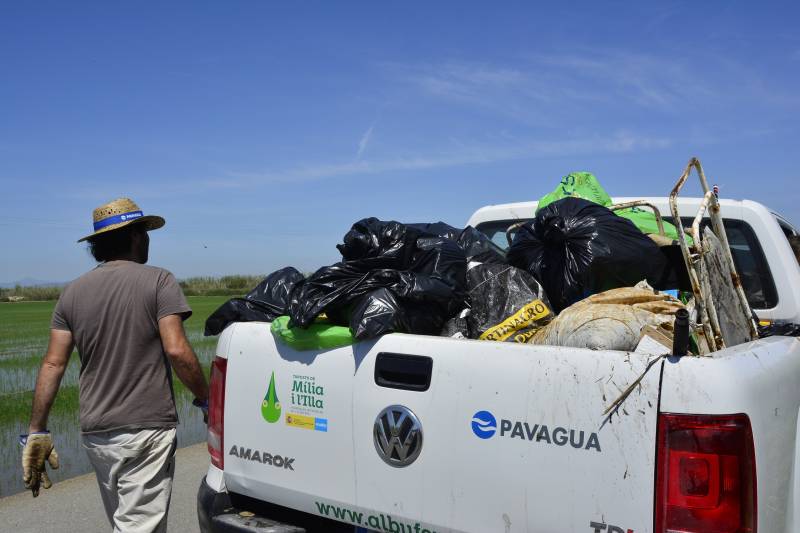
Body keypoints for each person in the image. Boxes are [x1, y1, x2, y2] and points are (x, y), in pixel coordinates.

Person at [21, 198, 209, 533]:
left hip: (97, 431)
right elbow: (177, 351)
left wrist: (37, 430)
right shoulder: (159, 281)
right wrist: (208, 399)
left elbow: (53, 363)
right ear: (136, 236)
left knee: (126, 521)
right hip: (145, 428)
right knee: (138, 527)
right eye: (146, 233)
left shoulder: (72, 293)